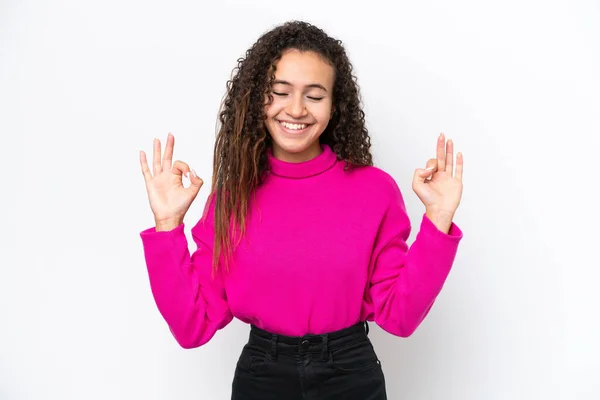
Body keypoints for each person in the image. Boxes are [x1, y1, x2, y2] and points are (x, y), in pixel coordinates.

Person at [139, 20, 464, 400]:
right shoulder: (232, 199)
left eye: (314, 95)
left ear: (334, 105)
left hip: (350, 373)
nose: (296, 109)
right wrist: (167, 225)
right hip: (263, 375)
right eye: (279, 92)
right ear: (257, 99)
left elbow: (400, 318)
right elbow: (191, 326)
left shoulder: (374, 191)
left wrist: (438, 220)